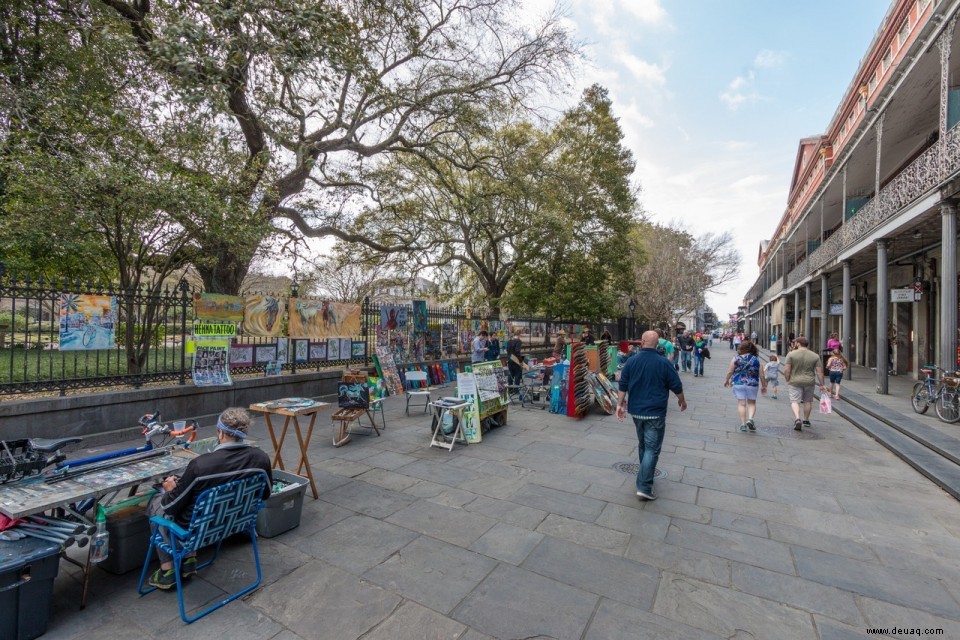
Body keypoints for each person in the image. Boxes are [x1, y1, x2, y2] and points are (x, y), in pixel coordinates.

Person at [146, 408, 272, 589]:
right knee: (194, 498)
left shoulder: (200, 465)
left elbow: (170, 507)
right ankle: (189, 559)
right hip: (232, 524)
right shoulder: (261, 458)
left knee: (156, 502)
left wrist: (169, 490)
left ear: (220, 432)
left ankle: (168, 570)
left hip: (195, 531)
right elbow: (265, 494)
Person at [616, 331, 686, 501]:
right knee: (652, 449)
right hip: (655, 412)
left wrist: (619, 404)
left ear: (642, 342)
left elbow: (623, 385)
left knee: (643, 445)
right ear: (657, 344)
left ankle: (644, 474)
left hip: (636, 411)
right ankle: (644, 486)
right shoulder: (664, 363)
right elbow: (676, 385)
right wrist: (682, 401)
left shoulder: (632, 361)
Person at [784, 336, 827, 431]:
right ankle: (806, 420)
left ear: (798, 344)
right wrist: (822, 384)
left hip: (794, 381)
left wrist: (787, 379)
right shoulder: (815, 356)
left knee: (795, 401)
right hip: (809, 381)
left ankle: (797, 418)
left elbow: (787, 369)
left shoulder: (791, 354)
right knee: (807, 401)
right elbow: (820, 372)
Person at [724, 340, 765, 432]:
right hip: (752, 384)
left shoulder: (735, 359)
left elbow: (730, 371)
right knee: (751, 403)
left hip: (739, 383)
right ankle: (750, 419)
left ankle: (743, 424)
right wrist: (764, 385)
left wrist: (727, 380)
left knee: (741, 404)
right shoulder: (756, 360)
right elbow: (762, 375)